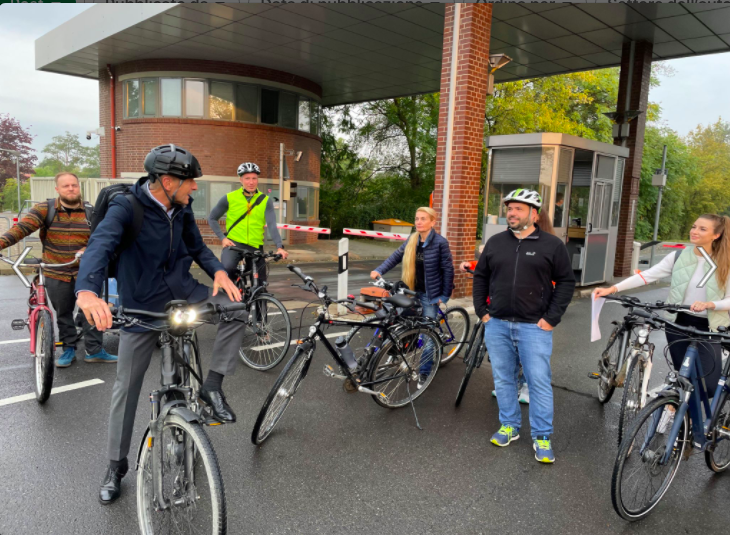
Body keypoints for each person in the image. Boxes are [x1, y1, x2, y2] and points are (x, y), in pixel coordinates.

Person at [75, 144, 248, 505]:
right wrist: (88, 293)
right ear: (167, 181)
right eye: (190, 182)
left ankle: (211, 387)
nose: (195, 188)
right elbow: (99, 246)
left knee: (236, 308)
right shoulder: (128, 207)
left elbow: (197, 247)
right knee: (126, 388)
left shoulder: (181, 209)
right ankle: (115, 466)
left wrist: (218, 271)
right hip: (142, 307)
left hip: (184, 292)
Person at [473, 188, 575, 463]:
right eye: (509, 208)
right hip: (498, 324)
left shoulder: (552, 245)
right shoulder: (495, 242)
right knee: (504, 379)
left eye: (518, 209)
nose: (512, 213)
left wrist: (552, 318)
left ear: (534, 214)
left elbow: (566, 282)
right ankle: (509, 426)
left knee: (538, 382)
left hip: (534, 327)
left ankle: (542, 436)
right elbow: (480, 276)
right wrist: (483, 312)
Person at [594, 214, 730, 413]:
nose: (694, 231)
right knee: (683, 376)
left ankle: (687, 415)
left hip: (709, 327)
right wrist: (613, 289)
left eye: (702, 229)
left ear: (716, 235)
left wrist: (711, 304)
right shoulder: (679, 256)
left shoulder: (725, 262)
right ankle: (683, 421)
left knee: (708, 385)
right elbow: (649, 275)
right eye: (694, 226)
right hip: (678, 323)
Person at [0, 172, 116, 367]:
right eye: (66, 186)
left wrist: (87, 249)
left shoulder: (90, 211)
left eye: (74, 185)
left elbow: (101, 238)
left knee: (93, 310)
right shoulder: (46, 209)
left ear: (79, 187)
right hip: (56, 270)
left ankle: (95, 351)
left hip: (86, 272)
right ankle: (68, 349)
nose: (71, 189)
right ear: (57, 189)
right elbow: (21, 229)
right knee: (63, 313)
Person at [370, 207, 454, 382]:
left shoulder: (440, 243)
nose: (419, 222)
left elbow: (448, 270)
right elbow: (395, 257)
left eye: (423, 219)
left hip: (430, 295)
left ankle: (424, 372)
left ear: (433, 222)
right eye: (417, 218)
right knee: (400, 323)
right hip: (411, 291)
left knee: (427, 335)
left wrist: (444, 296)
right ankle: (393, 356)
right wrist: (379, 270)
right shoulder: (412, 239)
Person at [460, 247, 529, 404]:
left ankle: (525, 385)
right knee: (505, 350)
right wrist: (468, 264)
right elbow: (483, 264)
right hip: (495, 307)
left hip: (521, 309)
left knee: (522, 349)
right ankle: (509, 386)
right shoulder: (500, 247)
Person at [208, 162, 288, 285]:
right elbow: (212, 218)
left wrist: (279, 247)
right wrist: (222, 238)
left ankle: (260, 303)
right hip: (234, 244)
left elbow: (272, 225)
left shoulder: (265, 201)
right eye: (247, 178)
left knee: (261, 283)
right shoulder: (229, 198)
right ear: (241, 180)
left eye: (254, 178)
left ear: (257, 180)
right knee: (227, 269)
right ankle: (232, 297)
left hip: (255, 246)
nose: (251, 182)